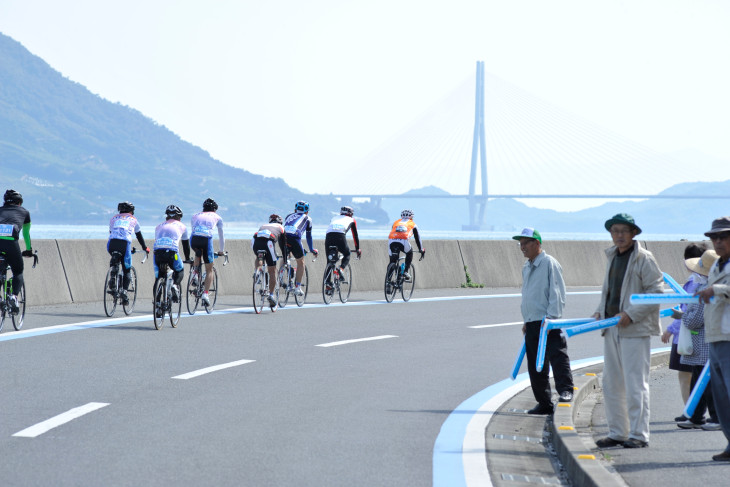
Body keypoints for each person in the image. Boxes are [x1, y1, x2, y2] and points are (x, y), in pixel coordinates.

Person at [592, 213, 663, 449]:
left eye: (624, 231)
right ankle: (618, 432)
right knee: (611, 383)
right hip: (611, 327)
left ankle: (639, 434)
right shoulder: (612, 255)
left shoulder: (644, 258)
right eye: (615, 231)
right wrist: (600, 311)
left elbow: (656, 292)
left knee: (635, 383)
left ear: (634, 234)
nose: (619, 235)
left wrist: (631, 314)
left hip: (634, 329)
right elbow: (612, 292)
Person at [512, 227, 574, 415]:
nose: (522, 247)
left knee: (557, 356)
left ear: (537, 244)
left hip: (549, 321)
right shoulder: (527, 267)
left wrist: (552, 319)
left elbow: (557, 293)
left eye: (525, 243)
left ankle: (565, 391)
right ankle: (544, 402)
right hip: (532, 321)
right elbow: (528, 295)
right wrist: (526, 320)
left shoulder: (549, 263)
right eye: (520, 244)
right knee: (535, 364)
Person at [696, 216, 730, 462]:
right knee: (721, 398)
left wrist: (715, 289)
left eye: (723, 236)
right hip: (716, 336)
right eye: (714, 237)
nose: (718, 241)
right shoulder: (717, 265)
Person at [661, 242, 706, 422]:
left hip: (687, 336)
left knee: (687, 375)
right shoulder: (704, 279)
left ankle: (690, 412)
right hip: (696, 336)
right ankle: (693, 411)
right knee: (694, 375)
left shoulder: (694, 282)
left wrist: (671, 329)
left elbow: (687, 310)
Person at [677, 249, 720, 430]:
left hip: (704, 341)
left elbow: (695, 319)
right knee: (699, 380)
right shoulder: (710, 286)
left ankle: (716, 418)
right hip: (704, 342)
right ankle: (695, 416)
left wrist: (682, 316)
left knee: (707, 383)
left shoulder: (705, 290)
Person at [107, 201, 149, 304]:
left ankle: (113, 275)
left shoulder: (113, 219)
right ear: (131, 211)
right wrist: (145, 247)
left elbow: (112, 233)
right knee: (127, 270)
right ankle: (124, 292)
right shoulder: (133, 219)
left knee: (115, 258)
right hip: (124, 244)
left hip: (111, 244)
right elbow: (139, 235)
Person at [0, 189, 34, 313]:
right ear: (19, 202)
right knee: (18, 271)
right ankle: (14, 296)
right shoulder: (25, 212)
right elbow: (25, 233)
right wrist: (28, 250)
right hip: (10, 243)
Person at [153, 205, 191, 311]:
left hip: (157, 253)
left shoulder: (158, 226)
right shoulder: (182, 226)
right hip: (172, 253)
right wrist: (187, 258)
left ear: (167, 217)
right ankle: (174, 285)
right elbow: (185, 245)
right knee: (179, 270)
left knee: (158, 278)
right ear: (179, 217)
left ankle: (156, 305)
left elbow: (157, 240)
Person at [190, 198, 225, 306]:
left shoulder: (195, 215)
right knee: (209, 270)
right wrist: (221, 250)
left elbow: (193, 229)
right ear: (215, 209)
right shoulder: (218, 217)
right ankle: (205, 294)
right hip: (206, 239)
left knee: (198, 253)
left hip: (194, 239)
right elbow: (221, 236)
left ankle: (195, 273)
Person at [252, 214, 287, 309]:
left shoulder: (263, 225)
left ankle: (257, 273)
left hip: (255, 241)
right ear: (280, 222)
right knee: (272, 271)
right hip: (269, 242)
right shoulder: (281, 228)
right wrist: (285, 259)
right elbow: (283, 246)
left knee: (259, 256)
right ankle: (271, 295)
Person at [283, 201, 318, 296]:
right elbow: (309, 236)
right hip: (295, 237)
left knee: (285, 256)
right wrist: (311, 249)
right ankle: (297, 287)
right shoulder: (308, 219)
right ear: (307, 212)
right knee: (301, 262)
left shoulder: (288, 216)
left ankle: (281, 275)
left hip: (283, 236)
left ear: (295, 210)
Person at [324, 206, 362, 291]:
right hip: (340, 236)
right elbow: (355, 235)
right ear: (350, 214)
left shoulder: (334, 218)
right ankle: (341, 269)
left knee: (329, 261)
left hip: (328, 237)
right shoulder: (352, 220)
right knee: (347, 253)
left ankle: (327, 286)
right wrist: (357, 248)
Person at [387, 209, 425, 280]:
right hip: (403, 241)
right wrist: (421, 249)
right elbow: (417, 238)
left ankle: (388, 282)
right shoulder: (413, 224)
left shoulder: (396, 222)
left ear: (401, 216)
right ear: (411, 217)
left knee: (392, 261)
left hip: (391, 241)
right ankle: (405, 271)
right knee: (409, 253)